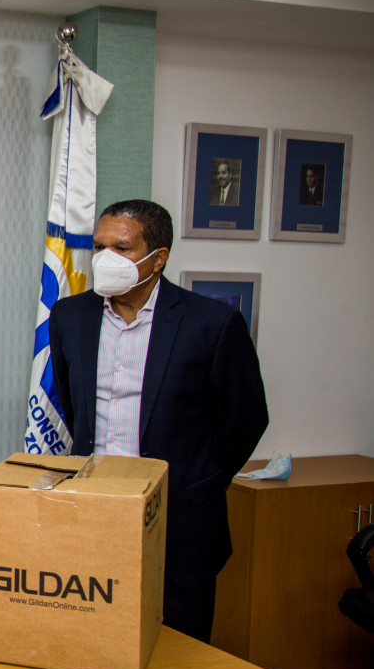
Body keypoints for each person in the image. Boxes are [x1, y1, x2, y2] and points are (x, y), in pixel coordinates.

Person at [47, 199, 268, 642]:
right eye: (99, 247)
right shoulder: (70, 316)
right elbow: (73, 407)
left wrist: (197, 480)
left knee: (180, 656)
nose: (105, 258)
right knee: (93, 642)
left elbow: (245, 420)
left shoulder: (212, 323)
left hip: (180, 524)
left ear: (158, 258)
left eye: (121, 248)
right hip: (95, 516)